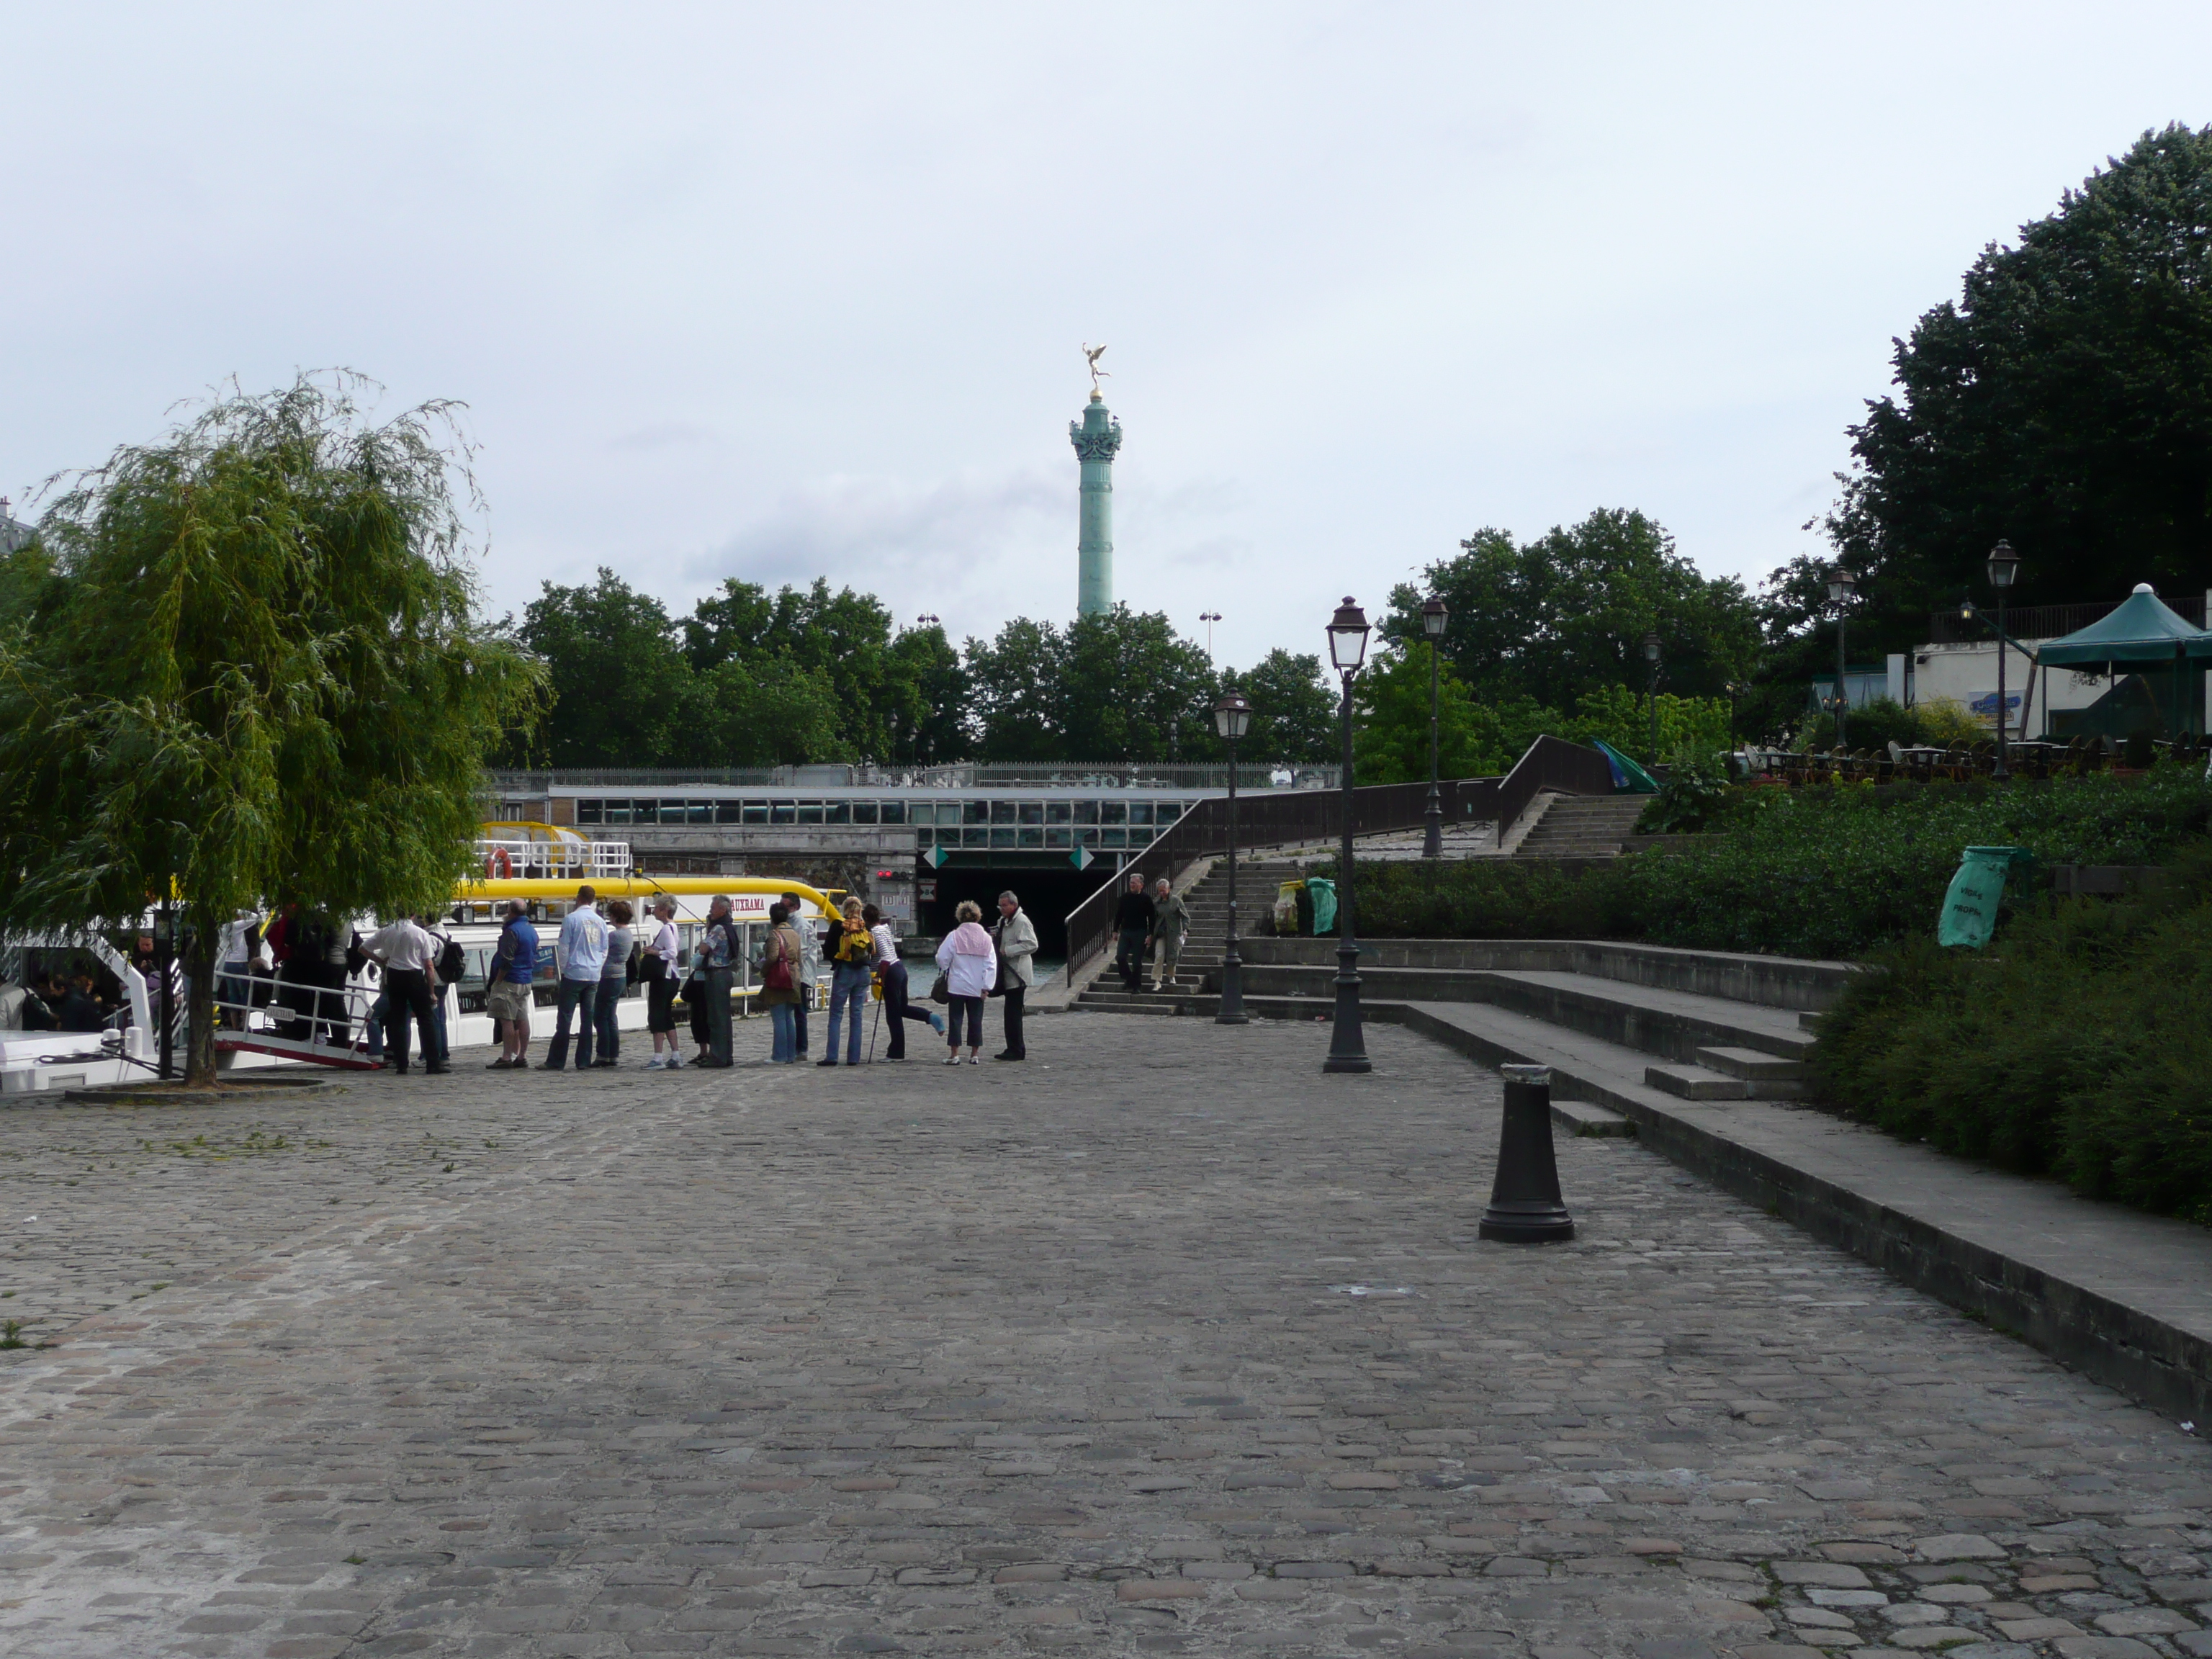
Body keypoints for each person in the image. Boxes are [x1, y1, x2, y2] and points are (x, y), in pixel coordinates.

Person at [361, 913, 446, 1075]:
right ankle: (432, 1063)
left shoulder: (387, 931)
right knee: (426, 1019)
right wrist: (432, 992)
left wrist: (380, 960)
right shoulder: (420, 934)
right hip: (414, 976)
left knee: (398, 1020)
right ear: (413, 915)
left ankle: (401, 1064)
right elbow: (428, 965)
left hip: (394, 976)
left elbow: (363, 949)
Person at [545, 886, 608, 1071]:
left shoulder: (571, 919)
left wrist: (564, 970)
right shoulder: (600, 922)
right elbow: (604, 950)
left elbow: (563, 948)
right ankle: (584, 1060)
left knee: (565, 1018)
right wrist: (597, 967)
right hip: (593, 973)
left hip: (574, 972)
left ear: (578, 898)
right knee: (587, 1019)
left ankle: (557, 1060)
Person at [866, 902, 939, 1061]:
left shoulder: (874, 933)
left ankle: (896, 1053)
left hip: (891, 972)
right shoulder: (885, 928)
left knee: (893, 1016)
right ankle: (930, 1017)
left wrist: (879, 976)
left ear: (866, 920)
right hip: (900, 968)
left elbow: (884, 957)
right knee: (902, 1008)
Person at [934, 900, 997, 1066]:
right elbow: (991, 964)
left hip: (957, 984)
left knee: (956, 1019)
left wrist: (947, 967)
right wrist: (987, 986)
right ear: (978, 917)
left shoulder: (954, 936)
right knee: (976, 1020)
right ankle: (974, 1055)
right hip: (977, 987)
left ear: (960, 917)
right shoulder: (986, 938)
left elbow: (941, 958)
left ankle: (954, 1055)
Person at [819, 896, 877, 1066]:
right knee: (856, 1015)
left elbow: (828, 949)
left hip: (845, 971)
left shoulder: (839, 925)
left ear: (844, 909)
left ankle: (832, 1056)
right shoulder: (863, 926)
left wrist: (836, 963)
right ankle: (854, 1058)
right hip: (864, 972)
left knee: (836, 1014)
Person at [486, 900, 539, 1069]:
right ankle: (522, 1055)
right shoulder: (531, 931)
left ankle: (506, 1056)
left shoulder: (512, 931)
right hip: (526, 980)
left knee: (506, 1019)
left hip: (510, 980)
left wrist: (498, 981)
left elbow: (506, 960)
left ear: (510, 911)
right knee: (522, 1018)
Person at [693, 894, 741, 1067]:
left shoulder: (719, 929)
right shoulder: (730, 927)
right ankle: (726, 1054)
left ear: (723, 909)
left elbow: (703, 949)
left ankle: (718, 1056)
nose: (710, 911)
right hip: (727, 973)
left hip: (717, 974)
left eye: (713, 908)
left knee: (716, 1017)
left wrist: (707, 933)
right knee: (724, 1018)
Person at [990, 890, 1038, 1061]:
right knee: (1010, 1013)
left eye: (1004, 905)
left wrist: (1008, 951)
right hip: (1007, 974)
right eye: (1000, 905)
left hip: (1018, 975)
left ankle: (1016, 1050)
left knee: (1013, 1014)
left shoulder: (1022, 922)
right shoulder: (1002, 922)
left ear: (1014, 905)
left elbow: (1032, 944)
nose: (1002, 909)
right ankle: (1014, 1047)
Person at [642, 897, 685, 1070]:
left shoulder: (667, 929)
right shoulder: (674, 928)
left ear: (665, 910)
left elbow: (672, 953)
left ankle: (658, 1057)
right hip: (672, 977)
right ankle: (675, 1055)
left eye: (657, 908)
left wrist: (655, 953)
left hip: (664, 978)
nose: (654, 911)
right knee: (666, 1016)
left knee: (657, 1016)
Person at [758, 900, 802, 1063]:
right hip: (794, 977)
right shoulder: (795, 933)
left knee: (779, 1019)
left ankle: (779, 1055)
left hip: (779, 978)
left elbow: (772, 957)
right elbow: (799, 957)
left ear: (772, 918)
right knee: (789, 1017)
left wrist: (763, 971)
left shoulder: (774, 934)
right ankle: (791, 1054)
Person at [594, 899, 634, 1067]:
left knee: (601, 1016)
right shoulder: (628, 934)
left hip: (609, 977)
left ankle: (604, 1054)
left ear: (616, 916)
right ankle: (613, 1053)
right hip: (620, 976)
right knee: (611, 1016)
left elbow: (598, 948)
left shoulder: (615, 935)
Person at [781, 891, 814, 1058]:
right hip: (795, 972)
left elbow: (802, 951)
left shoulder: (800, 924)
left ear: (795, 907)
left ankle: (801, 1048)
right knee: (795, 1011)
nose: (784, 910)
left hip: (799, 974)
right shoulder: (789, 923)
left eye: (786, 907)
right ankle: (795, 1046)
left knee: (799, 1011)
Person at [1113, 872, 1156, 992]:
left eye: (1135, 883)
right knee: (1120, 957)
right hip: (1126, 931)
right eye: (1131, 883)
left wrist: (1150, 934)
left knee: (1137, 961)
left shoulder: (1146, 899)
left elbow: (1152, 918)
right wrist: (1115, 930)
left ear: (1141, 885)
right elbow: (1119, 914)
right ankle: (1129, 979)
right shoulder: (1124, 898)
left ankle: (1136, 985)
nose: (1132, 885)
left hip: (1140, 932)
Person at [1148, 876, 1191, 992]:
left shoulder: (1176, 901)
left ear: (1168, 889)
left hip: (1173, 933)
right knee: (1159, 955)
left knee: (1172, 955)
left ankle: (1171, 976)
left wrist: (1185, 929)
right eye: (1160, 891)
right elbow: (1152, 920)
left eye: (1164, 890)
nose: (1162, 893)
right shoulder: (1156, 903)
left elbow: (1185, 917)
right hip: (1160, 933)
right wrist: (1150, 934)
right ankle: (1157, 981)